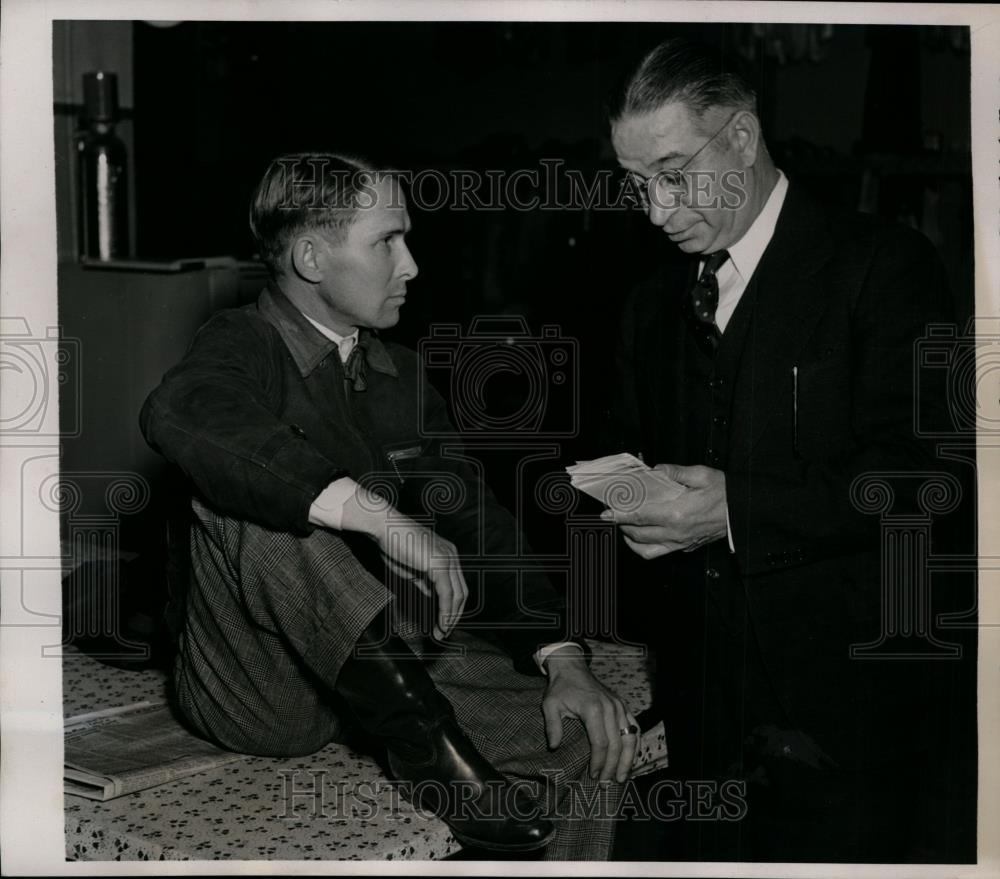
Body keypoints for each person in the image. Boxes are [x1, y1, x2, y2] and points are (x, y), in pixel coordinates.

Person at [140, 152, 639, 860]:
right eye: (387, 241)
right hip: (265, 690)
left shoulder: (399, 374)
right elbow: (180, 412)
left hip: (380, 667)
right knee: (269, 495)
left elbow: (478, 522)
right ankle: (432, 755)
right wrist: (378, 515)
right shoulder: (238, 343)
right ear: (312, 257)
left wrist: (561, 654)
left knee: (591, 732)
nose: (411, 266)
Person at [602, 38, 976, 862]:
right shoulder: (648, 304)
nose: (656, 211)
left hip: (847, 714)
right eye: (636, 185)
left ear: (741, 137)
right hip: (702, 714)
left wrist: (733, 507)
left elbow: (933, 476)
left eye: (672, 173)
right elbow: (632, 467)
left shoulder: (887, 266)